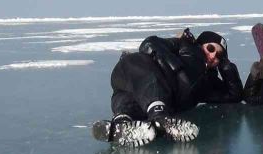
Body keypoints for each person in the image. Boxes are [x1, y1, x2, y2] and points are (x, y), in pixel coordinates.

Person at [93, 28, 243, 146]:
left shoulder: (209, 83)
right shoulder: (184, 46)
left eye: (219, 56)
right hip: (133, 71)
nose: (213, 57)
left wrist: (226, 66)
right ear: (200, 44)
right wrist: (173, 64)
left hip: (141, 95)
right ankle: (160, 118)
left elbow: (234, 94)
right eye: (211, 48)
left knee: (125, 98)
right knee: (147, 76)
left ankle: (122, 126)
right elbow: (149, 43)